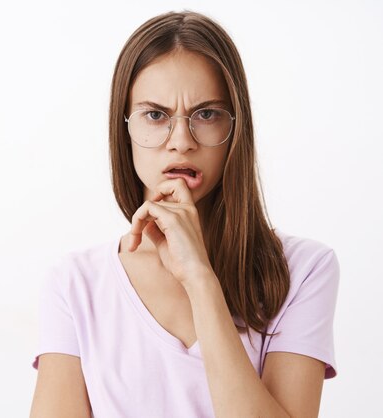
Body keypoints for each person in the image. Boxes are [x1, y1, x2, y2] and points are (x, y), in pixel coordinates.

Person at [29, 10, 339, 418]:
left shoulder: (304, 270)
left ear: (236, 128)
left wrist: (200, 279)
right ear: (124, 129)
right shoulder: (75, 284)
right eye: (155, 115)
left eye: (207, 114)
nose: (181, 141)